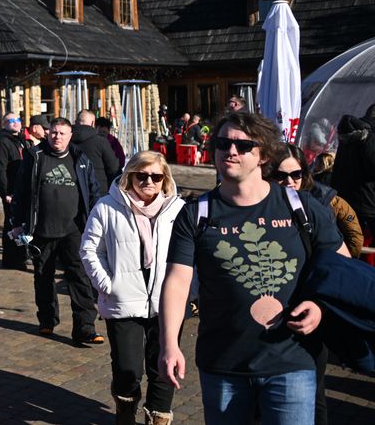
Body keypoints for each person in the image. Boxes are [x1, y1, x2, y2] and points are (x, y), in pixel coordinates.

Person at [159, 112, 348, 425]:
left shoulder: (300, 207)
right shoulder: (196, 214)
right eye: (223, 143)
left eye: (243, 145)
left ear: (264, 155)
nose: (230, 151)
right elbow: (177, 283)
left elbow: (341, 266)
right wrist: (169, 345)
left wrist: (320, 307)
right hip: (223, 365)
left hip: (292, 360)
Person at [80, 151, 183, 425]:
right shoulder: (107, 207)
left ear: (165, 180)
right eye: (142, 175)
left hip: (166, 301)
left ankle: (158, 418)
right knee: (128, 369)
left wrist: (189, 291)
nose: (149, 181)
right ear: (130, 175)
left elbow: (192, 255)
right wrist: (107, 284)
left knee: (163, 367)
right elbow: (90, 249)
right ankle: (125, 411)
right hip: (123, 300)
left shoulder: (178, 210)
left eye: (156, 176)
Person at [269, 142, 364, 425]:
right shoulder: (260, 206)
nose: (289, 182)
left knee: (314, 390)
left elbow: (352, 236)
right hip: (269, 312)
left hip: (312, 307)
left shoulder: (322, 200)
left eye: (296, 175)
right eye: (281, 176)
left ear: (305, 174)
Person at [9, 117, 103, 344]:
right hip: (41, 229)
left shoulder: (80, 158)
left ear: (70, 136)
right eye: (53, 132)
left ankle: (85, 327)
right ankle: (47, 320)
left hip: (74, 229)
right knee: (43, 277)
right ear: (47, 134)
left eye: (62, 133)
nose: (57, 137)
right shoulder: (35, 157)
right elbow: (21, 191)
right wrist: (17, 221)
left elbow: (93, 191)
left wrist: (97, 221)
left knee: (80, 277)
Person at [330, 110, 375, 255]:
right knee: (364, 248)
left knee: (351, 243)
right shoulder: (368, 137)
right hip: (368, 205)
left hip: (347, 200)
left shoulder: (350, 133)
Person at [0, 112, 29, 269]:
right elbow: (0, 169)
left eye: (17, 120)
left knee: (20, 223)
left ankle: (21, 257)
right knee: (11, 224)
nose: (15, 123)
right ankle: (10, 260)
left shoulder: (21, 140)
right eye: (11, 121)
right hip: (11, 190)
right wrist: (5, 192)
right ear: (4, 124)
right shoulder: (3, 141)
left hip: (21, 189)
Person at [74, 109, 122, 194]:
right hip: (98, 189)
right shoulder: (101, 141)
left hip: (73, 189)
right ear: (93, 123)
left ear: (76, 121)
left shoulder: (65, 139)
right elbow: (114, 167)